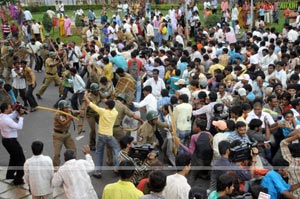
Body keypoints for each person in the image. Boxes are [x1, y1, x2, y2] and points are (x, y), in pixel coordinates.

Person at [83, 92, 119, 178]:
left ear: (107, 107)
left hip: (101, 135)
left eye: (105, 105)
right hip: (109, 136)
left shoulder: (102, 112)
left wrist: (85, 95)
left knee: (99, 153)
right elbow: (111, 104)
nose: (104, 105)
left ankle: (98, 172)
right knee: (116, 149)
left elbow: (90, 104)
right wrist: (107, 100)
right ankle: (116, 168)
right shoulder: (115, 112)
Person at [0, 102, 26, 185]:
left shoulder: (2, 116)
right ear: (6, 109)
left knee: (14, 158)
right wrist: (21, 117)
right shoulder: (6, 119)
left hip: (6, 141)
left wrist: (17, 111)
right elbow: (19, 127)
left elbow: (11, 116)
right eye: (9, 108)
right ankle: (18, 179)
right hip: (11, 142)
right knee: (21, 159)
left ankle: (10, 175)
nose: (11, 109)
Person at [52, 100, 77, 167]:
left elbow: (73, 112)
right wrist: (70, 118)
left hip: (67, 134)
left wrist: (80, 111)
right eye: (66, 108)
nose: (67, 109)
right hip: (58, 136)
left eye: (67, 107)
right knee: (56, 154)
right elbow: (63, 123)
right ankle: (56, 168)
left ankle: (72, 165)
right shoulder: (57, 114)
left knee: (73, 149)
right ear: (61, 108)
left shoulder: (68, 111)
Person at [79, 83, 101, 150]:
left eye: (98, 90)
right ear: (92, 91)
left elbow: (105, 96)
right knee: (93, 130)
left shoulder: (99, 93)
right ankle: (92, 144)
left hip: (97, 113)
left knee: (104, 125)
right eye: (96, 90)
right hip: (90, 114)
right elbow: (91, 104)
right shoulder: (88, 96)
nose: (97, 91)